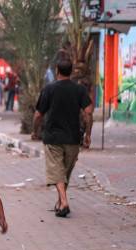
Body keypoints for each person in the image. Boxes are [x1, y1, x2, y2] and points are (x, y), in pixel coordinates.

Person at [34, 59, 93, 218]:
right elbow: (88, 112)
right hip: (73, 138)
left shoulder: (49, 89)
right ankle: (60, 203)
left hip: (53, 137)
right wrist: (88, 134)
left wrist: (35, 131)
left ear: (57, 70)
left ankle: (64, 202)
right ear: (71, 71)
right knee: (64, 172)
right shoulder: (79, 90)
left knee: (58, 171)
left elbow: (38, 114)